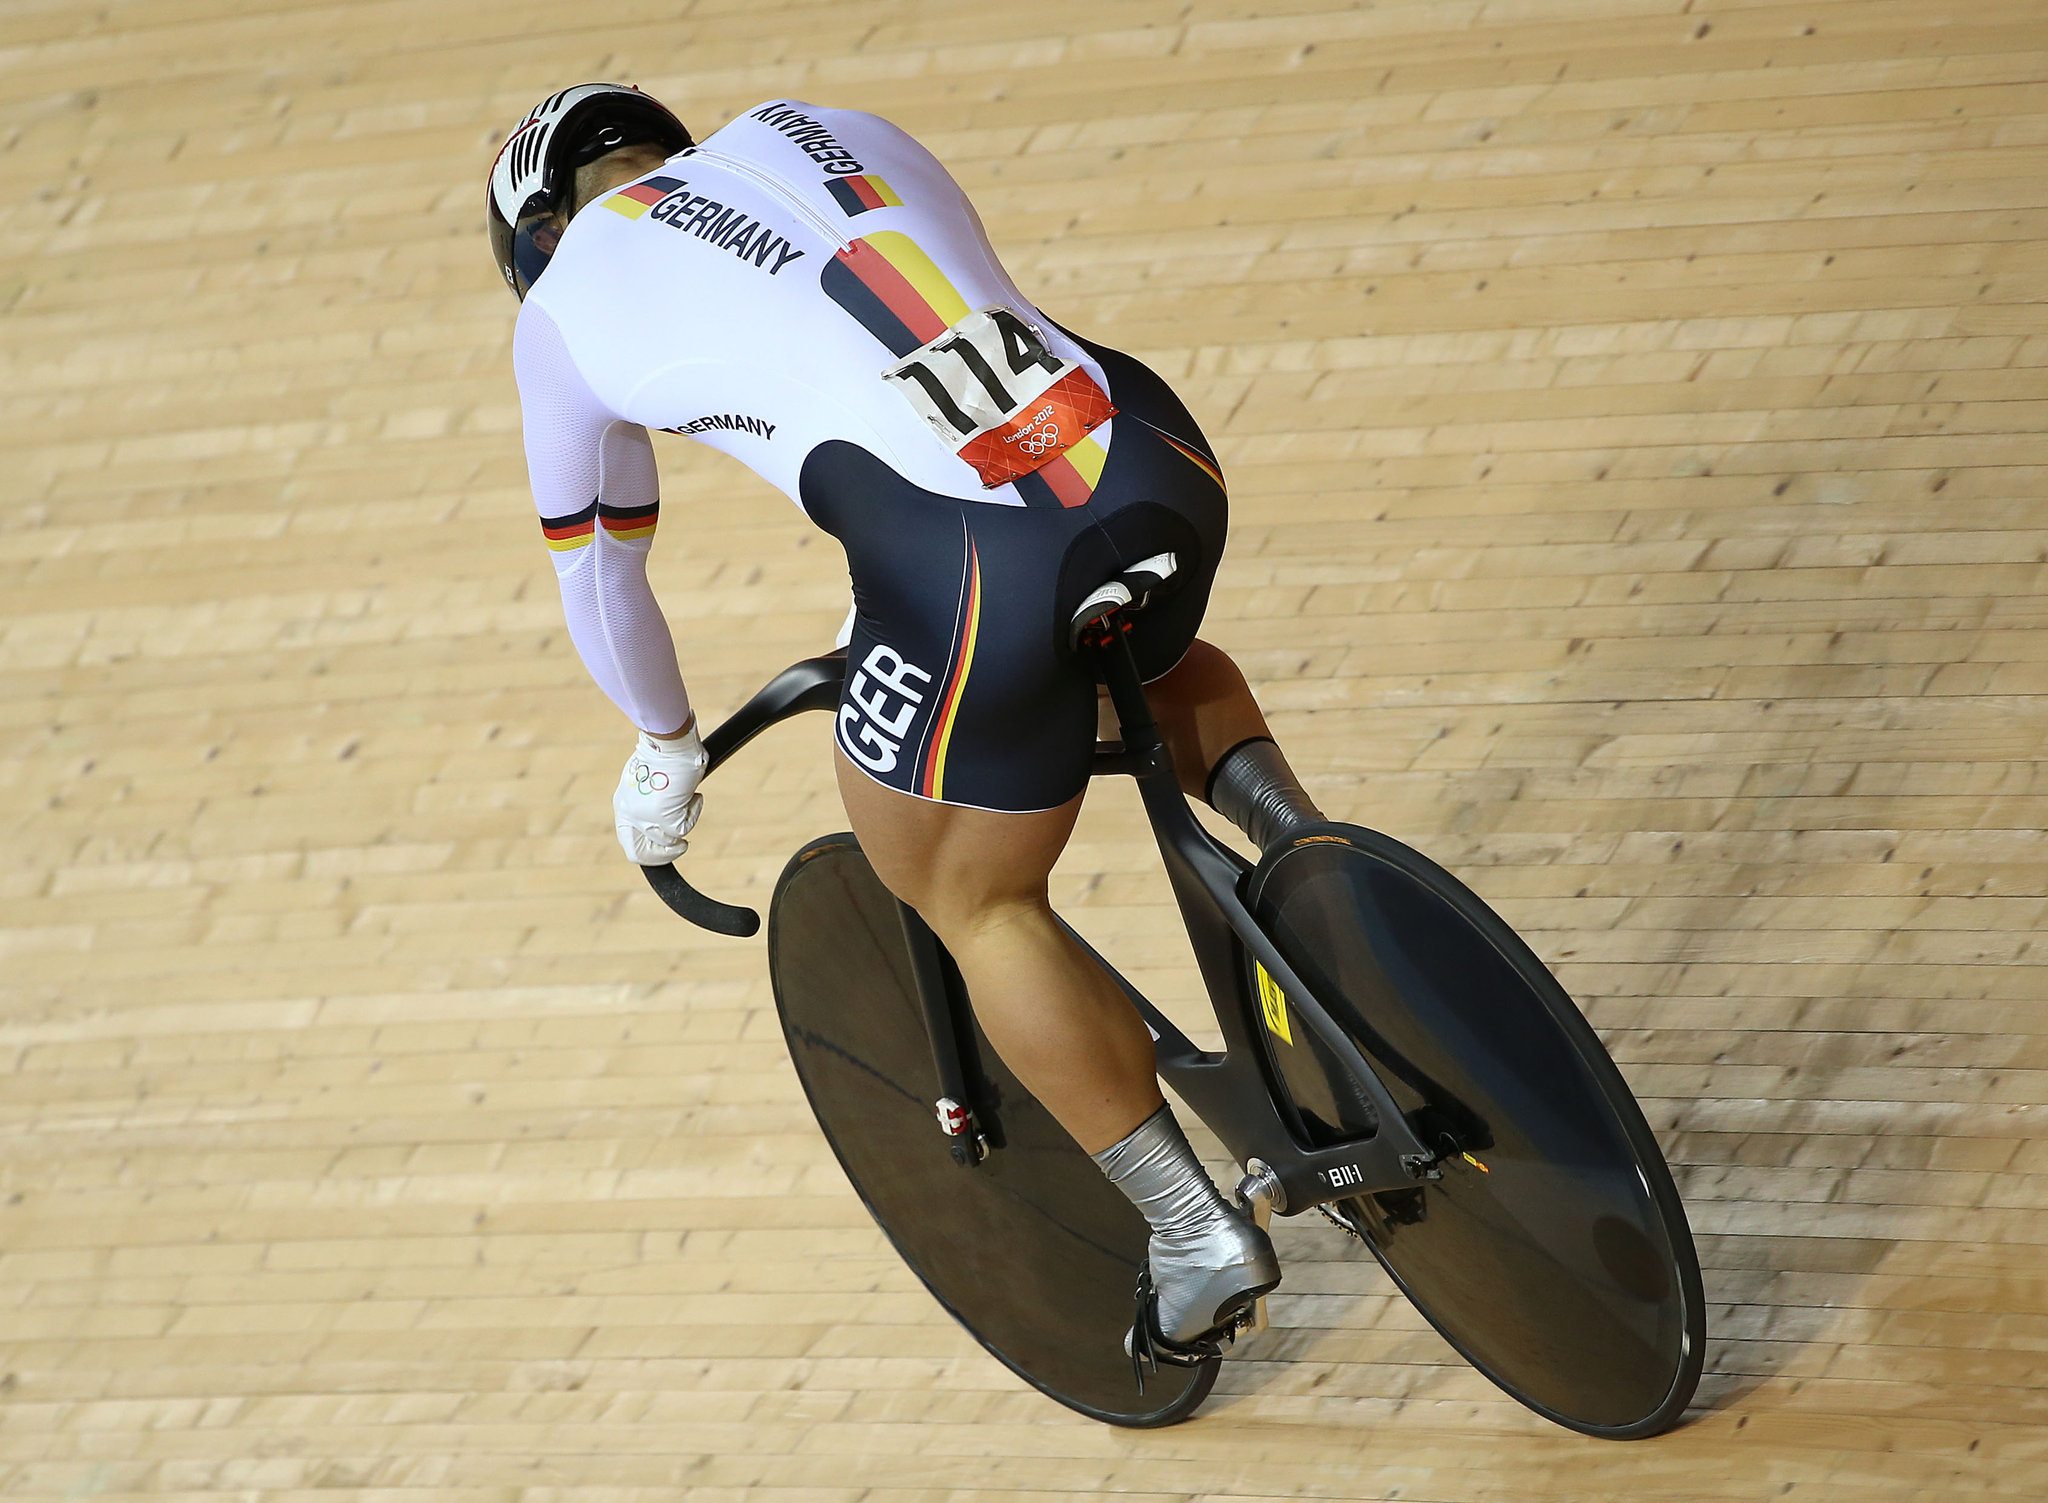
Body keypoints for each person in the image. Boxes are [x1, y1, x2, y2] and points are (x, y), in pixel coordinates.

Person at [489, 84, 1327, 1358]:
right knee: (1147, 654)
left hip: (969, 566)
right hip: (1151, 451)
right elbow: (910, 333)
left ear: (538, 236)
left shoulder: (559, 312)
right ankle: (1339, 909)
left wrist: (664, 742)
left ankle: (1191, 1234)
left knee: (968, 891)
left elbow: (599, 572)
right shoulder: (807, 121)